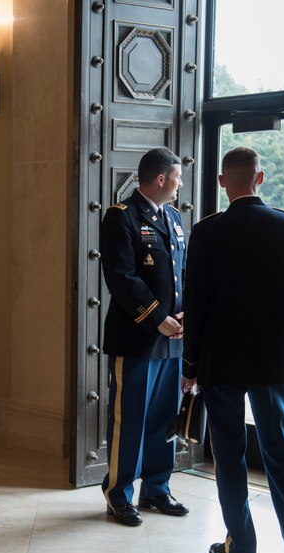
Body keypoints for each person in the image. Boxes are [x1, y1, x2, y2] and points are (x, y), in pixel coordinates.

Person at [181, 146, 284, 553]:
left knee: (229, 453)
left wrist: (189, 367)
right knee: (281, 448)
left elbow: (196, 303)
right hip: (274, 360)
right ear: (260, 179)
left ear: (223, 183)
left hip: (221, 361)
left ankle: (241, 547)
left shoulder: (207, 231)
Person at [100, 147, 191, 527]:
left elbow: (182, 273)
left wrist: (187, 312)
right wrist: (158, 318)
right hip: (137, 337)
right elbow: (121, 278)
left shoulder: (172, 217)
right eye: (177, 177)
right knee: (131, 418)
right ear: (160, 179)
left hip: (172, 339)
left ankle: (157, 487)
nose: (180, 184)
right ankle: (119, 495)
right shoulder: (121, 217)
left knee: (163, 418)